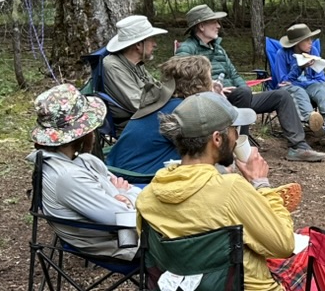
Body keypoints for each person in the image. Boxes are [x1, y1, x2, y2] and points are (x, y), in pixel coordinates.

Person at [135, 93, 321, 291]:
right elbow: (282, 243)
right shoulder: (231, 189)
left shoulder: (148, 197)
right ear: (217, 139)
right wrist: (261, 185)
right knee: (318, 254)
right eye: (235, 130)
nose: (238, 137)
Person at [175, 4, 325, 162]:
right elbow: (180, 73)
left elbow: (233, 74)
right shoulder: (187, 48)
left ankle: (298, 147)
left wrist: (245, 89)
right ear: (201, 26)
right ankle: (241, 147)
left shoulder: (218, 49)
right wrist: (209, 86)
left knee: (282, 95)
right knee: (243, 93)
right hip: (211, 102)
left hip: (237, 98)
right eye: (214, 22)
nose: (218, 26)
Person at [28, 84, 141, 261]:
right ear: (84, 133)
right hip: (125, 245)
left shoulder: (81, 161)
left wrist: (124, 197)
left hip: (126, 232)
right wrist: (124, 194)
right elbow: (124, 219)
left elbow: (127, 200)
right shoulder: (67, 177)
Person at [106, 55, 219, 175]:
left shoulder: (164, 102)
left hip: (117, 168)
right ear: (200, 82)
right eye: (210, 77)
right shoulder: (184, 111)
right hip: (138, 175)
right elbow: (206, 151)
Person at [102, 15, 168, 129]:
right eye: (151, 39)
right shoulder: (113, 66)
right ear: (138, 44)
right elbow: (137, 105)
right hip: (135, 125)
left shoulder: (136, 62)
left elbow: (157, 86)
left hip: (150, 117)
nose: (155, 44)